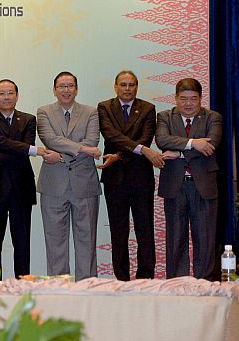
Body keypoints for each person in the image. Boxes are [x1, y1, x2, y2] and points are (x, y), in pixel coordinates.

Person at [0, 79, 56, 279]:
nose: (6, 97)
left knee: (22, 242)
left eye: (10, 93)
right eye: (2, 93)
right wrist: (31, 151)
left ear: (17, 95)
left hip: (21, 187)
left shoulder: (29, 120)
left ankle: (24, 285)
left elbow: (14, 149)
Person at [97, 71, 164, 280]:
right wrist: (140, 150)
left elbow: (145, 138)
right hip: (114, 179)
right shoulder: (104, 107)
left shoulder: (147, 108)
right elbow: (111, 135)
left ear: (137, 87)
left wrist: (119, 155)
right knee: (119, 231)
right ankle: (122, 278)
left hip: (140, 178)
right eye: (123, 85)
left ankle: (146, 277)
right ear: (115, 86)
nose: (127, 89)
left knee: (145, 229)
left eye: (132, 85)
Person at [36, 71, 102, 280]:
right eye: (62, 86)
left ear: (76, 89)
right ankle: (58, 287)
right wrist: (83, 150)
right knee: (55, 241)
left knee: (87, 239)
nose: (66, 90)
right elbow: (49, 139)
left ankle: (87, 285)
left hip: (85, 184)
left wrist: (65, 155)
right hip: (53, 184)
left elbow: (92, 142)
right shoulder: (44, 112)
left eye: (70, 86)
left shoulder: (91, 112)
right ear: (55, 90)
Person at [156, 78, 222, 279]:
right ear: (175, 98)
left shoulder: (213, 118)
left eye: (193, 99)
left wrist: (179, 153)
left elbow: (211, 145)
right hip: (175, 188)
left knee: (205, 240)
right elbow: (162, 140)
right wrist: (194, 143)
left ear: (200, 99)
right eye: (183, 99)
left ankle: (205, 285)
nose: (188, 103)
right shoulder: (165, 117)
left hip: (203, 187)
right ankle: (177, 284)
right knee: (175, 240)